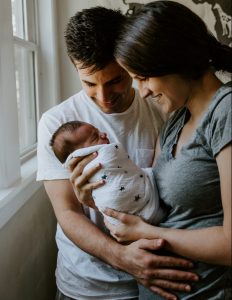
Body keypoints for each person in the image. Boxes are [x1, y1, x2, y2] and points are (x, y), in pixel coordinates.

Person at [37, 6, 200, 300]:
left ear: (129, 63)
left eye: (115, 80)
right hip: (85, 285)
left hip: (154, 280)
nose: (103, 96)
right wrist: (122, 258)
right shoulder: (57, 125)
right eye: (89, 83)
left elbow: (173, 192)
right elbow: (68, 212)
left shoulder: (162, 110)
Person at [95, 1, 231, 299]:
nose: (141, 91)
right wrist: (95, 197)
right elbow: (154, 203)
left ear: (175, 60)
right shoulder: (175, 120)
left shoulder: (226, 112)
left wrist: (149, 234)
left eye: (143, 78)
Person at [50, 120, 165, 226]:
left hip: (128, 221)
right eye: (95, 136)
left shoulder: (156, 116)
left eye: (98, 131)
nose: (103, 134)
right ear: (82, 153)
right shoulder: (53, 119)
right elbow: (67, 212)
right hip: (118, 226)